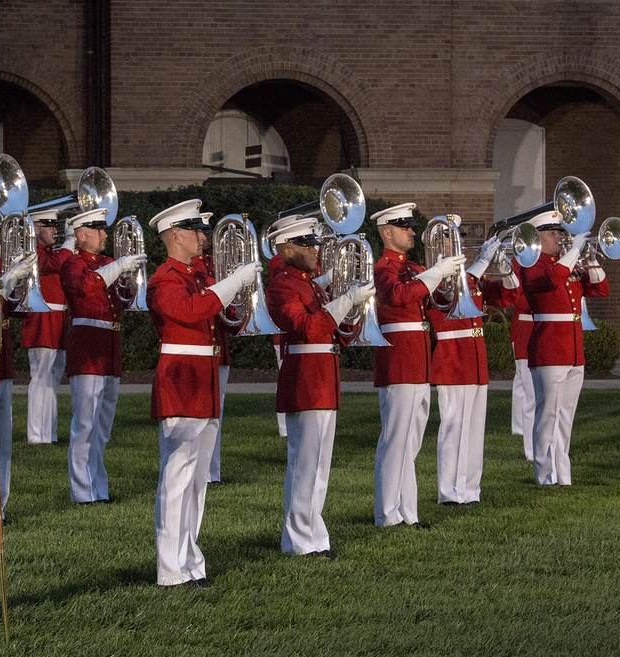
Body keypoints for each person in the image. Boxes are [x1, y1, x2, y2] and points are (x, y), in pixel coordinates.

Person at [147, 199, 258, 587]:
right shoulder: (165, 278)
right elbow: (189, 311)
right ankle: (169, 568)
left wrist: (242, 297)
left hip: (204, 382)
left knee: (196, 483)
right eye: (195, 230)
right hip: (181, 383)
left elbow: (218, 320)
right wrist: (231, 284)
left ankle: (191, 561)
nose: (202, 236)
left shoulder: (197, 275)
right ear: (175, 236)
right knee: (177, 479)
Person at [265, 215, 374, 557]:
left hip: (324, 377)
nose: (316, 250)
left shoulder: (309, 284)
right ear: (286, 248)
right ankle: (298, 539)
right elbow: (306, 327)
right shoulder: (282, 285)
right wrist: (345, 302)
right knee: (304, 464)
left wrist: (351, 306)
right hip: (305, 378)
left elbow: (331, 331)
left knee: (320, 468)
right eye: (308, 244)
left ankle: (314, 535)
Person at [371, 203, 464, 527]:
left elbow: (433, 304)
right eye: (404, 226)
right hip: (399, 360)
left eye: (411, 226)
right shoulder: (383, 268)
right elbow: (397, 296)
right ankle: (386, 513)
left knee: (410, 442)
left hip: (418, 360)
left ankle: (406, 512)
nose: (412, 231)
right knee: (396, 440)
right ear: (387, 232)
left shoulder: (411, 268)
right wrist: (436, 272)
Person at [426, 222, 518, 505]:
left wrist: (505, 267)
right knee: (454, 428)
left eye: (459, 239)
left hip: (475, 359)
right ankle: (449, 493)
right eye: (450, 240)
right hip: (452, 358)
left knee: (474, 431)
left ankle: (469, 490)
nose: (458, 245)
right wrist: (480, 263)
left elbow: (508, 296)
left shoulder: (470, 278)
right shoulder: (434, 277)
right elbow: (448, 299)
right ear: (435, 246)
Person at [59, 208, 145, 503]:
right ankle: (82, 492)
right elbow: (85, 286)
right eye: (98, 230)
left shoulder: (109, 263)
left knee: (103, 426)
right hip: (87, 346)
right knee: (84, 424)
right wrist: (118, 267)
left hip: (110, 346)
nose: (105, 234)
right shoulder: (72, 264)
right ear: (81, 235)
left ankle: (99, 486)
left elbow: (125, 298)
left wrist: (130, 279)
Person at [520, 211, 609, 485]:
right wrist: (574, 254)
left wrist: (590, 257)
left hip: (572, 349)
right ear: (538, 238)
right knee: (548, 415)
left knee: (565, 417)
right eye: (553, 233)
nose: (560, 237)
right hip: (549, 349)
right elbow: (552, 279)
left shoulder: (566, 265)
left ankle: (563, 474)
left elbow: (601, 288)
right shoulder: (532, 265)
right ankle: (545, 475)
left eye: (560, 232)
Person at [0, 210, 34, 523]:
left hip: (4, 359)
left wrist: (19, 287)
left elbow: (10, 311)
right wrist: (8, 279)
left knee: (3, 444)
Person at [22, 208, 70, 445]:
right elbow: (53, 265)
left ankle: (48, 433)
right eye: (48, 225)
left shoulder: (52, 252)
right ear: (36, 229)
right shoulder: (33, 253)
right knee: (41, 376)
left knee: (52, 378)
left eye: (55, 225)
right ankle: (36, 435)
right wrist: (71, 243)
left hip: (57, 316)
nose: (54, 230)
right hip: (42, 317)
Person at [192, 212, 233, 483]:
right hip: (199, 349)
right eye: (199, 232)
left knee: (215, 415)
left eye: (205, 232)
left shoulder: (214, 264)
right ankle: (201, 471)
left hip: (220, 345)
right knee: (198, 417)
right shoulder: (192, 270)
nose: (204, 238)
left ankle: (212, 471)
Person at [509, 262, 536, 461]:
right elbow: (521, 300)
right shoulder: (521, 264)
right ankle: (530, 448)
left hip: (542, 327)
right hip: (526, 328)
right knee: (529, 390)